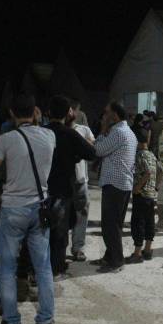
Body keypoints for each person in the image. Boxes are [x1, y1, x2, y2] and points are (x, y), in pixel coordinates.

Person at [0, 93, 56, 324]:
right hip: (40, 207)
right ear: (35, 111)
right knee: (43, 266)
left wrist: (2, 185)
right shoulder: (50, 136)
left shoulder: (5, 140)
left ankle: (11, 323)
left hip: (14, 208)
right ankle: (45, 321)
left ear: (12, 114)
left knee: (7, 268)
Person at [45, 95, 96, 279]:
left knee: (45, 229)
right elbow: (91, 152)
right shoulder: (70, 134)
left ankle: (39, 267)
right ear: (69, 113)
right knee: (60, 229)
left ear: (48, 112)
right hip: (63, 188)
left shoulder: (42, 132)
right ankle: (56, 269)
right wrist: (74, 156)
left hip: (43, 188)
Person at [91, 101, 137, 273]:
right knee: (114, 224)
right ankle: (110, 257)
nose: (104, 116)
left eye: (106, 113)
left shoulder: (117, 132)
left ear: (115, 116)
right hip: (122, 183)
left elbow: (98, 150)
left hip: (115, 184)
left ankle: (116, 261)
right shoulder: (128, 132)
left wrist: (102, 130)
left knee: (110, 225)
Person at [67, 100, 96, 262]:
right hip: (62, 181)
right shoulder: (56, 130)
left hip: (80, 180)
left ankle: (78, 247)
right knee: (62, 216)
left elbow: (92, 148)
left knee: (81, 214)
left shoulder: (83, 130)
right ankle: (59, 248)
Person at [127, 128, 158, 263]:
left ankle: (137, 253)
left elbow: (147, 173)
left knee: (138, 223)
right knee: (149, 222)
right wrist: (156, 187)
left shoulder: (140, 155)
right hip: (151, 195)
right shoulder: (152, 155)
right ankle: (148, 249)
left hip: (141, 195)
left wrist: (136, 188)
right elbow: (160, 171)